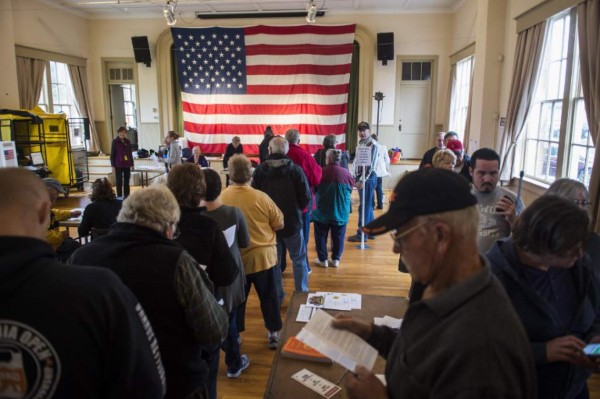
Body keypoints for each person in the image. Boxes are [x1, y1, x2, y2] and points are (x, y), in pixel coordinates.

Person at [333, 168, 536, 399]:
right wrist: (372, 334)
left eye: (402, 235)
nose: (396, 248)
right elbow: (424, 353)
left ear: (440, 236)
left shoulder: (483, 352)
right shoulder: (436, 284)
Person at [0, 168, 166, 398]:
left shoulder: (89, 271)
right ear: (43, 213)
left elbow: (82, 230)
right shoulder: (100, 291)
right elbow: (147, 387)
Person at [70, 184, 228, 399]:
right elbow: (213, 330)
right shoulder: (176, 261)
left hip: (105, 385)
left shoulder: (81, 258)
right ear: (168, 226)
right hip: (173, 383)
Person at [486, 195, 599, 399]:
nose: (580, 253)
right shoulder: (490, 278)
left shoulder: (577, 266)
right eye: (571, 248)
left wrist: (594, 344)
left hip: (574, 390)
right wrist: (543, 352)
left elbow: (595, 313)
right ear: (540, 243)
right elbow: (479, 351)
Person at [166, 163, 239, 399]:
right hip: (200, 315)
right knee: (206, 380)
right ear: (201, 190)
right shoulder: (207, 226)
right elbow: (228, 274)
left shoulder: (159, 221)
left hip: (163, 320)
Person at [220, 154, 284, 350]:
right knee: (270, 298)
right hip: (264, 258)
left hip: (236, 260)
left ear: (230, 175)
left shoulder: (222, 198)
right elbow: (279, 223)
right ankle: (273, 333)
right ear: (250, 174)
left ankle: (236, 334)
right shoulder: (261, 197)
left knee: (238, 301)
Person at [201, 168, 251, 379]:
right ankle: (233, 364)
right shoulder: (233, 213)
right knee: (230, 319)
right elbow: (245, 242)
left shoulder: (197, 218)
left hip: (205, 278)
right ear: (219, 187)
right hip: (230, 276)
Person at [252, 136, 311, 296]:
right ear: (286, 151)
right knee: (299, 260)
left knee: (275, 263)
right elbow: (306, 197)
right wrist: (296, 209)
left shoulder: (260, 170)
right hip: (292, 223)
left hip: (269, 225)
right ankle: (302, 293)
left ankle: (277, 296)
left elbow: (254, 197)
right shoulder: (295, 170)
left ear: (269, 150)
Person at [470, 147, 524, 253]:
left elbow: (526, 238)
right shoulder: (459, 196)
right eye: (481, 173)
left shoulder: (512, 199)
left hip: (497, 264)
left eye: (493, 173)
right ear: (471, 172)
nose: (487, 179)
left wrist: (513, 219)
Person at [545, 178, 600, 280]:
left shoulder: (594, 243)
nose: (580, 209)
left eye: (584, 203)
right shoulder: (543, 241)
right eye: (574, 203)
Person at [311, 149, 354, 268]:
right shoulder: (346, 173)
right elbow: (351, 188)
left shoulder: (320, 172)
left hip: (322, 211)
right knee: (339, 236)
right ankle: (336, 259)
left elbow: (314, 189)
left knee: (320, 236)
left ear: (328, 159)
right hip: (340, 211)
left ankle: (322, 259)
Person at [348, 121, 379, 242]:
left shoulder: (372, 144)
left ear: (369, 131)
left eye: (364, 130)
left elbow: (371, 166)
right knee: (367, 206)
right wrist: (355, 176)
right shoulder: (362, 143)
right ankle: (371, 231)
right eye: (360, 130)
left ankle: (362, 234)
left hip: (368, 178)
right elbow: (358, 162)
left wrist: (362, 180)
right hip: (363, 177)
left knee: (364, 206)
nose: (361, 132)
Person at [42, 177, 81, 262]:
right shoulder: (37, 208)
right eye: (57, 192)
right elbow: (42, 234)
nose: (58, 195)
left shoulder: (44, 205)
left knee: (72, 245)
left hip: (52, 245)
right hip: (45, 247)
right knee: (75, 248)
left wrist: (70, 214)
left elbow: (53, 213)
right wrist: (61, 236)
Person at [110, 126, 135, 198]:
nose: (122, 134)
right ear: (118, 133)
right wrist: (112, 166)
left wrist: (132, 164)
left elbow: (130, 153)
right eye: (121, 132)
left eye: (124, 132)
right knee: (119, 182)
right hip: (118, 165)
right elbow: (112, 155)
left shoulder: (128, 141)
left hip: (127, 164)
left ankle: (127, 196)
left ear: (125, 133)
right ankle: (119, 197)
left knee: (126, 182)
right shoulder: (115, 142)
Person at [371, 133, 390, 210]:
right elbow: (387, 160)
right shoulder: (383, 147)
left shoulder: (370, 147)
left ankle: (372, 205)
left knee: (372, 188)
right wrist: (386, 169)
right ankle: (380, 205)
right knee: (379, 188)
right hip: (381, 171)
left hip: (372, 171)